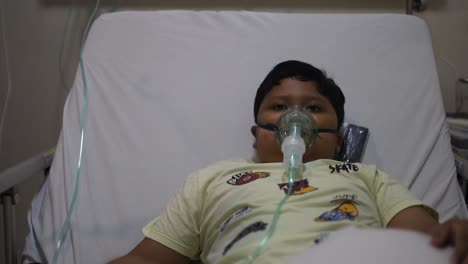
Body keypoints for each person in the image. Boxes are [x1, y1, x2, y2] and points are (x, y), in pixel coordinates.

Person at [111, 60, 468, 264]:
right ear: (256, 134)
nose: (296, 117)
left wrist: (451, 238)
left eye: (313, 108)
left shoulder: (365, 176)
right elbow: (147, 259)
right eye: (280, 107)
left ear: (339, 138)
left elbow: (424, 240)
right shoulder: (213, 179)